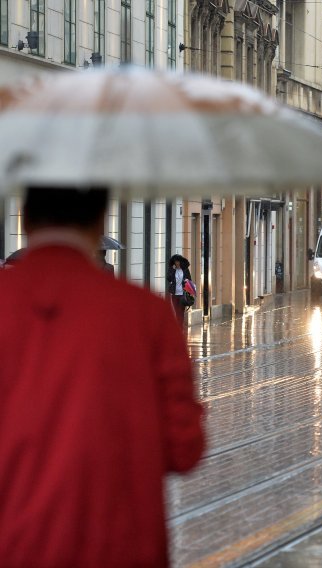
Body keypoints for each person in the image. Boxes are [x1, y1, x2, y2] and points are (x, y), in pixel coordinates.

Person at [0, 187, 205, 567]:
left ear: (24, 221)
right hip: (122, 549)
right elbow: (185, 448)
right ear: (100, 223)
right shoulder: (148, 315)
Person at [167, 254, 193, 325]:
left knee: (181, 312)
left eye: (178, 261)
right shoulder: (172, 270)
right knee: (176, 311)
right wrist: (172, 269)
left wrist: (186, 282)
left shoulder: (185, 270)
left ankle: (180, 327)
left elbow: (190, 280)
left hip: (182, 294)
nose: (177, 263)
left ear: (180, 262)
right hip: (174, 294)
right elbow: (168, 279)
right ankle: (178, 327)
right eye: (175, 262)